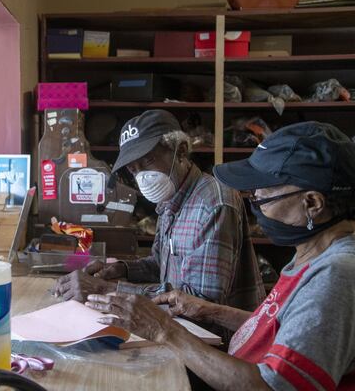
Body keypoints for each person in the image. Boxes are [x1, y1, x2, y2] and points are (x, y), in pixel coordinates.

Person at [87, 121, 355, 390]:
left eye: (262, 191)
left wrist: (163, 329)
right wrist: (210, 311)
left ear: (312, 203)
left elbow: (272, 387)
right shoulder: (310, 255)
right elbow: (278, 327)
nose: (253, 199)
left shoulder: (335, 275)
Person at [55, 110, 265, 315]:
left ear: (180, 151)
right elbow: (161, 264)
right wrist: (122, 269)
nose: (142, 176)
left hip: (218, 339)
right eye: (133, 169)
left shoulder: (213, 203)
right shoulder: (171, 198)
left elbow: (201, 305)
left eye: (147, 161)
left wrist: (104, 289)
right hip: (183, 331)